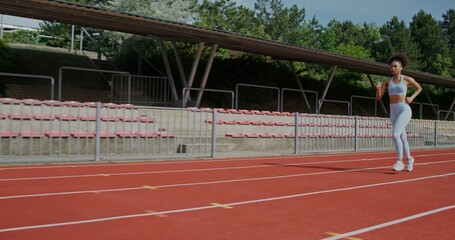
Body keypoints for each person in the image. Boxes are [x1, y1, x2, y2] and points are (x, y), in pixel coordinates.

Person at [375, 53, 422, 172]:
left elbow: (419, 88)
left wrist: (411, 97)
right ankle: (410, 159)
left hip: (404, 109)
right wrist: (378, 89)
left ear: (401, 67)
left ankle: (399, 161)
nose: (393, 68)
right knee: (403, 137)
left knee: (395, 134)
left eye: (395, 66)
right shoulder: (387, 82)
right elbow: (379, 97)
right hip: (393, 111)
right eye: (391, 66)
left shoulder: (406, 79)